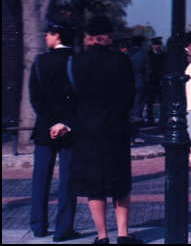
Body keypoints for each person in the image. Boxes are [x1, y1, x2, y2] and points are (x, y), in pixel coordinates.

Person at [52, 14, 141, 244]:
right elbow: (131, 96)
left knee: (95, 185)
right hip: (116, 127)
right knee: (120, 182)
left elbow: (68, 98)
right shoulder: (122, 61)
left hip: (87, 130)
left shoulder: (75, 62)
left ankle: (102, 237)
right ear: (110, 36)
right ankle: (123, 234)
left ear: (88, 36)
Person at [28, 13, 79, 241]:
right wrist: (65, 123)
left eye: (47, 33)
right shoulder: (76, 61)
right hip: (69, 129)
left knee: (41, 178)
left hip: (44, 127)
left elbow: (35, 98)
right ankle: (63, 229)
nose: (45, 36)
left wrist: (50, 122)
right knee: (68, 180)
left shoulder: (40, 62)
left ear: (56, 35)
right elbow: (80, 97)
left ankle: (38, 224)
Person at [146, 36, 165, 125]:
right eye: (156, 45)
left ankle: (161, 118)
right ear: (152, 45)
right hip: (152, 80)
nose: (157, 46)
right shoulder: (149, 54)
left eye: (159, 45)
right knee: (150, 101)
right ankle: (150, 118)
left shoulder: (163, 54)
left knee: (162, 100)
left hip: (160, 79)